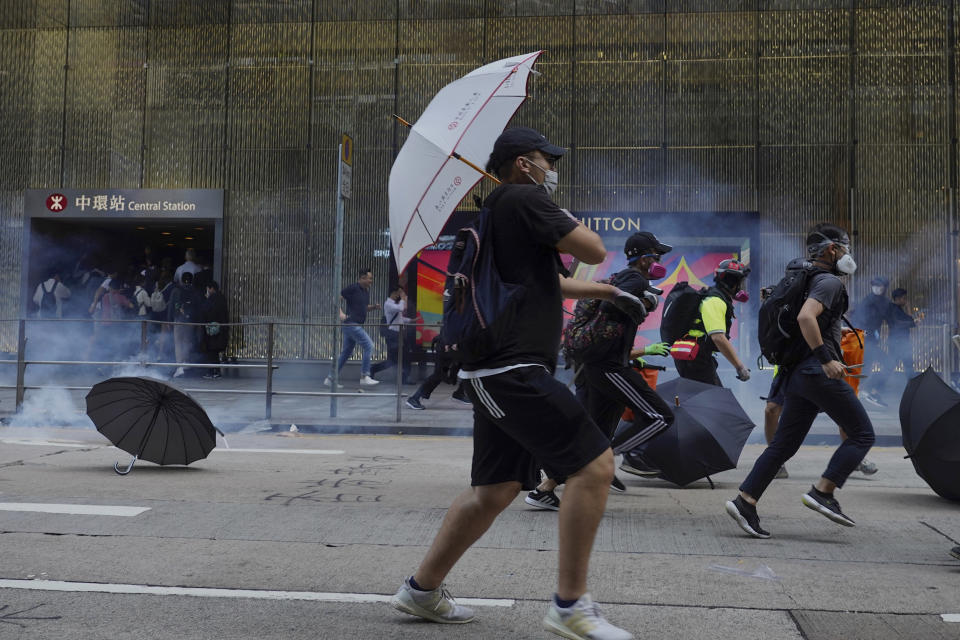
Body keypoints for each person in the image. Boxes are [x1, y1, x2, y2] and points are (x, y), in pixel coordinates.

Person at [390, 127, 638, 640]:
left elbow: (552, 281)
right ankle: (570, 606)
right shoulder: (524, 199)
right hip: (512, 370)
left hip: (496, 369)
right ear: (524, 164)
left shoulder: (500, 211)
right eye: (549, 160)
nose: (553, 168)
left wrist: (608, 291)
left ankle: (420, 590)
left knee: (495, 490)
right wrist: (564, 217)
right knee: (594, 465)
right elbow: (591, 246)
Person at [726, 223, 875, 539]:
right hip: (815, 371)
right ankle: (824, 491)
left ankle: (745, 501)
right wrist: (826, 358)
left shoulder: (802, 279)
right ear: (832, 250)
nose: (848, 254)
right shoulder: (828, 282)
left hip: (796, 374)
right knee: (862, 434)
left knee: (784, 444)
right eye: (845, 247)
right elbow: (806, 317)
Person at [526, 231, 673, 507]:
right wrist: (644, 300)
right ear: (642, 259)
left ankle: (544, 489)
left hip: (600, 364)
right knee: (660, 417)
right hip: (609, 365)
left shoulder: (622, 278)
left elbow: (614, 311)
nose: (660, 260)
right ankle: (604, 457)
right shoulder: (634, 278)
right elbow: (618, 307)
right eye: (656, 255)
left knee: (596, 433)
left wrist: (644, 300)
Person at [674, 259, 752, 386]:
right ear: (732, 281)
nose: (741, 286)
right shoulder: (715, 300)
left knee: (705, 400)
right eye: (740, 281)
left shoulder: (715, 297)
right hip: (696, 359)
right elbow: (718, 337)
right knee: (714, 399)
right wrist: (740, 367)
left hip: (694, 357)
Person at [325, 268, 381, 387]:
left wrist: (374, 307)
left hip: (354, 325)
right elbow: (336, 299)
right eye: (369, 278)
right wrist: (340, 313)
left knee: (346, 353)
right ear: (362, 278)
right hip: (351, 324)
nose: (371, 281)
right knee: (369, 345)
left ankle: (330, 378)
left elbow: (363, 307)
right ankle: (364, 375)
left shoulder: (365, 291)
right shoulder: (353, 288)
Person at [404, 335, 470, 410]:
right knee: (439, 374)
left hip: (454, 346)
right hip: (448, 346)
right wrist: (449, 343)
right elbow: (451, 329)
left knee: (468, 368)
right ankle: (415, 398)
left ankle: (459, 393)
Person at [854, 276, 891, 407]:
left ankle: (865, 391)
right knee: (886, 362)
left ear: (885, 288)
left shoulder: (883, 302)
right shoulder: (868, 301)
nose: (877, 288)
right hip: (864, 339)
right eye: (875, 285)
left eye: (880, 286)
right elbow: (860, 320)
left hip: (868, 340)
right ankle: (869, 391)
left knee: (867, 365)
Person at [370, 285, 413, 383]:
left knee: (405, 356)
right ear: (394, 293)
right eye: (399, 292)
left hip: (399, 335)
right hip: (393, 336)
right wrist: (403, 299)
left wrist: (411, 320)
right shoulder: (388, 304)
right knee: (393, 360)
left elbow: (400, 318)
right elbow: (401, 308)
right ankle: (372, 369)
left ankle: (404, 378)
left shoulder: (394, 304)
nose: (400, 295)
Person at [169, 271, 204, 378]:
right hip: (190, 320)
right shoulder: (195, 291)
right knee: (188, 341)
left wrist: (169, 320)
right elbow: (198, 307)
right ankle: (186, 363)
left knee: (178, 343)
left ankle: (179, 365)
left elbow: (171, 306)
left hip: (179, 320)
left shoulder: (176, 290)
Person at [201, 281, 229, 379]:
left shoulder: (212, 299)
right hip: (220, 330)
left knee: (211, 352)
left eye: (208, 289)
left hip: (213, 330)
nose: (207, 291)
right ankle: (215, 371)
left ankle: (212, 371)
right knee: (214, 352)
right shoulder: (222, 298)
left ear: (212, 288)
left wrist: (206, 299)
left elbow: (205, 310)